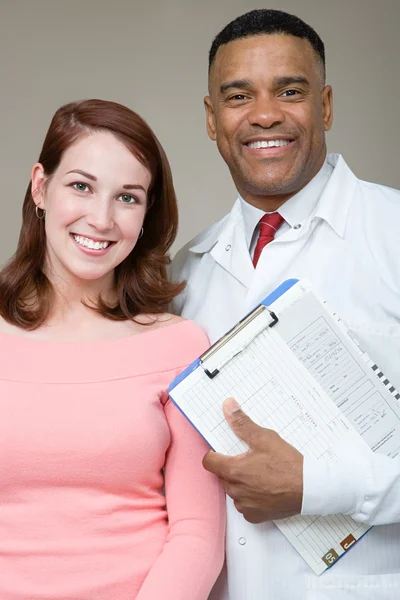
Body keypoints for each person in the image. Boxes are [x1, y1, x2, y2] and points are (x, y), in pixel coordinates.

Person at [171, 8, 400, 600]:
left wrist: (317, 485)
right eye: (238, 95)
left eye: (289, 91)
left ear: (324, 105)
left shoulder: (392, 231)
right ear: (211, 118)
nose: (264, 114)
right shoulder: (185, 272)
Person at [0, 99, 225, 600]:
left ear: (147, 213)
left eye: (128, 197)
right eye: (81, 186)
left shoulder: (180, 345)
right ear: (41, 187)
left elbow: (199, 535)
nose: (101, 219)